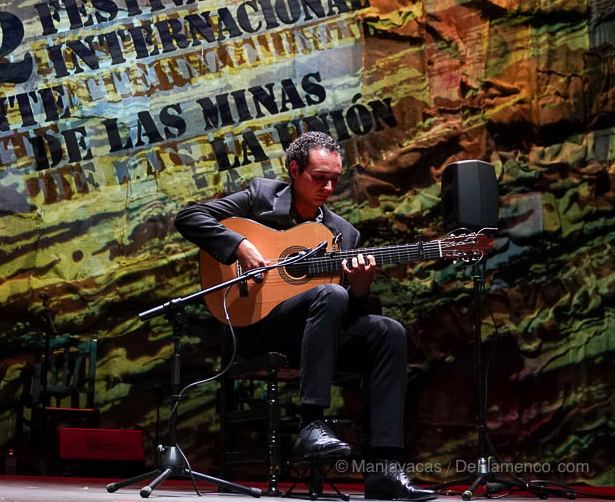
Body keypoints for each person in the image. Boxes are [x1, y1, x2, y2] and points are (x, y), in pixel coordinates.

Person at [175, 131, 435, 500]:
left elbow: (348, 311)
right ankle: (311, 423)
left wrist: (360, 288)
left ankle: (384, 468)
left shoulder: (343, 233)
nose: (329, 187)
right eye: (319, 178)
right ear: (294, 170)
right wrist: (240, 245)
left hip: (317, 336)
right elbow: (190, 217)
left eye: (335, 179)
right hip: (259, 326)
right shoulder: (260, 197)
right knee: (328, 294)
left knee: (388, 331)